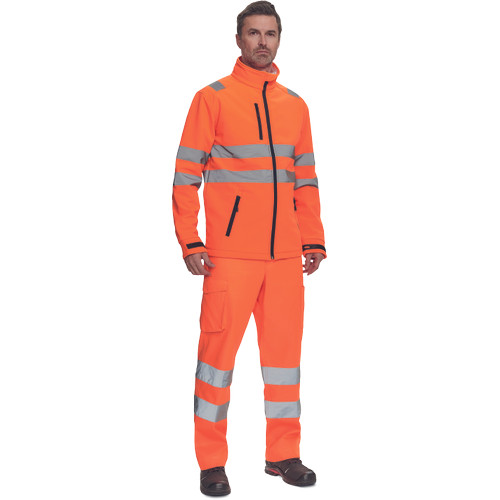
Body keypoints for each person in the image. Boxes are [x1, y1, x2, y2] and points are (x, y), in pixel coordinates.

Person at [172, 1, 327, 496]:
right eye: (254, 33)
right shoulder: (211, 99)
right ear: (238, 39)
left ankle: (283, 455)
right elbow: (184, 176)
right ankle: (211, 463)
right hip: (230, 257)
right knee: (216, 364)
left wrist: (313, 238)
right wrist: (190, 239)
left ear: (279, 40)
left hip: (285, 260)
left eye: (271, 34)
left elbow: (306, 180)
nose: (263, 42)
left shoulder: (296, 105)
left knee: (284, 363)